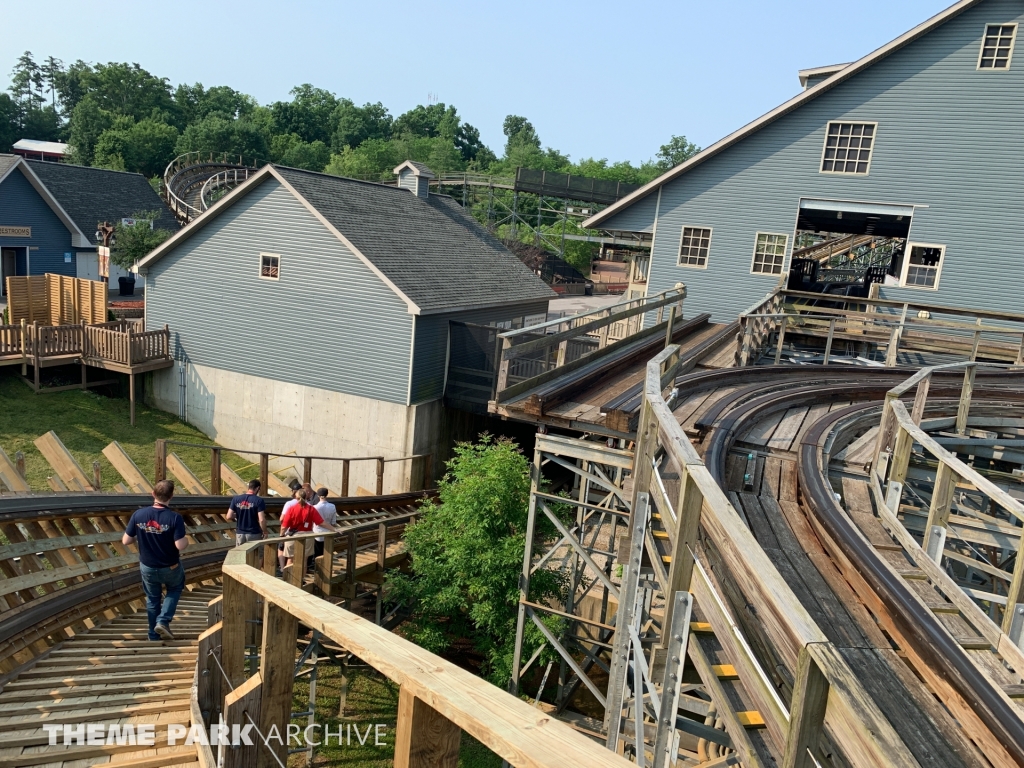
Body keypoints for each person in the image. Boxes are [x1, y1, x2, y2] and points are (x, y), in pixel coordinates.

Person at [122, 480, 189, 641]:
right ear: (171, 496)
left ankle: (153, 635)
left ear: (153, 494)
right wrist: (186, 540)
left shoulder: (138, 515)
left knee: (153, 599)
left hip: (148, 566)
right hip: (170, 566)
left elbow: (126, 540)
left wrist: (143, 533)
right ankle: (163, 620)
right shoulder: (175, 518)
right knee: (175, 588)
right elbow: (180, 545)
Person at [279, 488, 337, 572]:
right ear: (306, 497)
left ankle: (289, 577)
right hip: (307, 536)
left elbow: (284, 526)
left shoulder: (291, 508)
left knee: (290, 559)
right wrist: (333, 529)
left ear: (296, 497)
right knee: (304, 560)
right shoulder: (311, 509)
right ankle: (302, 578)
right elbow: (321, 522)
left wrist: (281, 536)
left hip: (293, 536)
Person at [226, 479, 268, 545]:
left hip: (240, 533)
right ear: (257, 488)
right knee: (255, 552)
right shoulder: (259, 500)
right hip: (254, 533)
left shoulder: (236, 499)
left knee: (240, 552)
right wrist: (265, 531)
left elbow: (229, 516)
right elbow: (262, 520)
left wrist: (240, 513)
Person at [311, 487, 338, 571]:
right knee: (327, 552)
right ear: (327, 495)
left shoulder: (314, 507)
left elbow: (313, 521)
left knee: (318, 554)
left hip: (317, 533)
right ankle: (327, 568)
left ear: (318, 496)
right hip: (329, 533)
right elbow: (333, 522)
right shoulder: (332, 506)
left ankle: (318, 569)